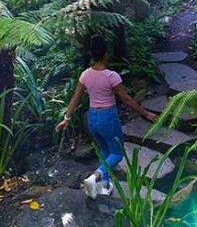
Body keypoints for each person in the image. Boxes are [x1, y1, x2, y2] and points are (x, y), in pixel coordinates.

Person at [56, 35, 158, 199]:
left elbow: (76, 98)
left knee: (105, 151)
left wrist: (66, 119)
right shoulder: (112, 76)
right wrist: (145, 113)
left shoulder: (85, 75)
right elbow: (126, 99)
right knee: (117, 154)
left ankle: (105, 186)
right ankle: (93, 178)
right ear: (105, 55)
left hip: (92, 118)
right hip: (107, 118)